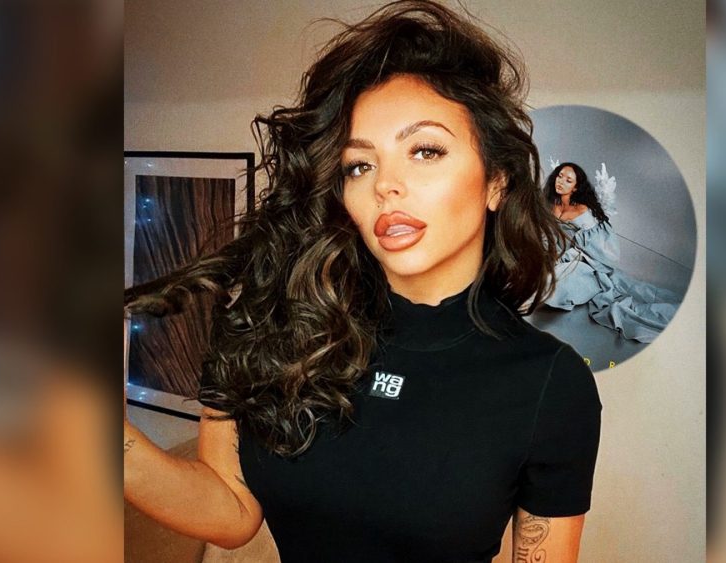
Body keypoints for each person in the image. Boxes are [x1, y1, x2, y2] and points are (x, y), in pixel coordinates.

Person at [123, 3, 601, 562]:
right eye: (359, 165)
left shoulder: (549, 383)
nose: (385, 186)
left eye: (425, 150)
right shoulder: (271, 323)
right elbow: (229, 511)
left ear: (497, 181)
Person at [544, 161, 681, 343]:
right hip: (556, 256)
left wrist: (567, 256)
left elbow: (599, 250)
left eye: (568, 180)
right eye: (560, 176)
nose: (561, 182)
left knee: (553, 284)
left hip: (586, 264)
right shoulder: (550, 203)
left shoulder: (583, 211)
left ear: (576, 187)